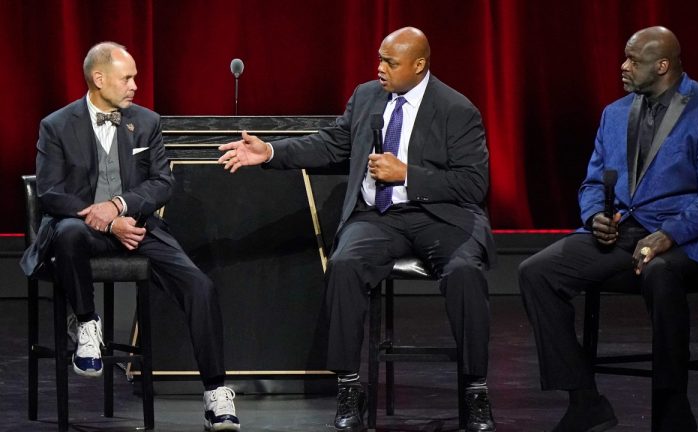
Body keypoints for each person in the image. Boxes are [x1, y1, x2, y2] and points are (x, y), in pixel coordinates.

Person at [219, 27, 497, 432]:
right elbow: (332, 144)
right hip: (377, 216)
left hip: (440, 215)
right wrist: (271, 152)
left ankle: (476, 389)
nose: (380, 68)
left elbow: (474, 184)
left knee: (465, 274)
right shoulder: (367, 96)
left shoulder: (457, 109)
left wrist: (408, 175)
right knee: (345, 264)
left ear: (419, 66)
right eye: (380, 58)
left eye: (391, 62)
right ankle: (350, 387)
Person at [518, 26, 698, 432]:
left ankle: (673, 414)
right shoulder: (616, 113)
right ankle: (585, 400)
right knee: (537, 272)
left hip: (691, 241)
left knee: (661, 271)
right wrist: (594, 218)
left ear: (662, 65)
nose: (622, 67)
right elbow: (591, 183)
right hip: (626, 234)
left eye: (633, 61)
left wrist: (670, 233)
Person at [20, 42, 240, 431]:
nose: (136, 85)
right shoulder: (56, 125)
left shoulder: (147, 122)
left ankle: (216, 393)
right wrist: (102, 219)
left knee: (200, 287)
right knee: (68, 234)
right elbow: (51, 191)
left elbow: (162, 183)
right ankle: (87, 325)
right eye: (128, 77)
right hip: (81, 227)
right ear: (99, 78)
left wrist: (120, 206)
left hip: (135, 225)